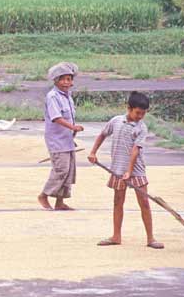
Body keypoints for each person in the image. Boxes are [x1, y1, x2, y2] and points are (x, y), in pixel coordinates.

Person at [88, 91, 164, 249]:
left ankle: (150, 239)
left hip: (136, 170)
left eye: (143, 113)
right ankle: (116, 236)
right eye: (138, 112)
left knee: (144, 202)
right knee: (118, 202)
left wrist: (129, 172)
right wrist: (93, 152)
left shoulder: (141, 128)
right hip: (117, 169)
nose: (140, 116)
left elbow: (135, 150)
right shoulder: (116, 121)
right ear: (128, 108)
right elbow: (102, 135)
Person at [38, 62, 84, 211]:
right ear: (56, 80)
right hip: (57, 141)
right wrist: (73, 127)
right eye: (63, 79)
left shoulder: (67, 97)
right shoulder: (53, 96)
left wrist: (73, 131)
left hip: (67, 140)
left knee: (69, 171)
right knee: (61, 169)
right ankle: (44, 195)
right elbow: (56, 117)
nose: (66, 82)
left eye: (69, 79)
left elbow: (69, 117)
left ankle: (60, 201)